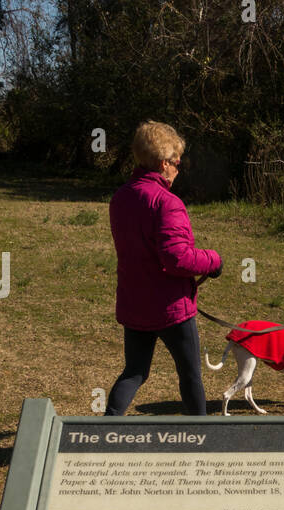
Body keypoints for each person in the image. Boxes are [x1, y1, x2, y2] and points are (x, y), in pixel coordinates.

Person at [105, 120, 223, 416]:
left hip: (134, 304)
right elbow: (177, 259)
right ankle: (202, 436)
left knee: (134, 372)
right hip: (171, 308)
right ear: (161, 163)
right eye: (175, 161)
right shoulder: (167, 203)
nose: (178, 166)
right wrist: (213, 260)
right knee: (190, 376)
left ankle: (106, 427)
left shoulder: (120, 198)